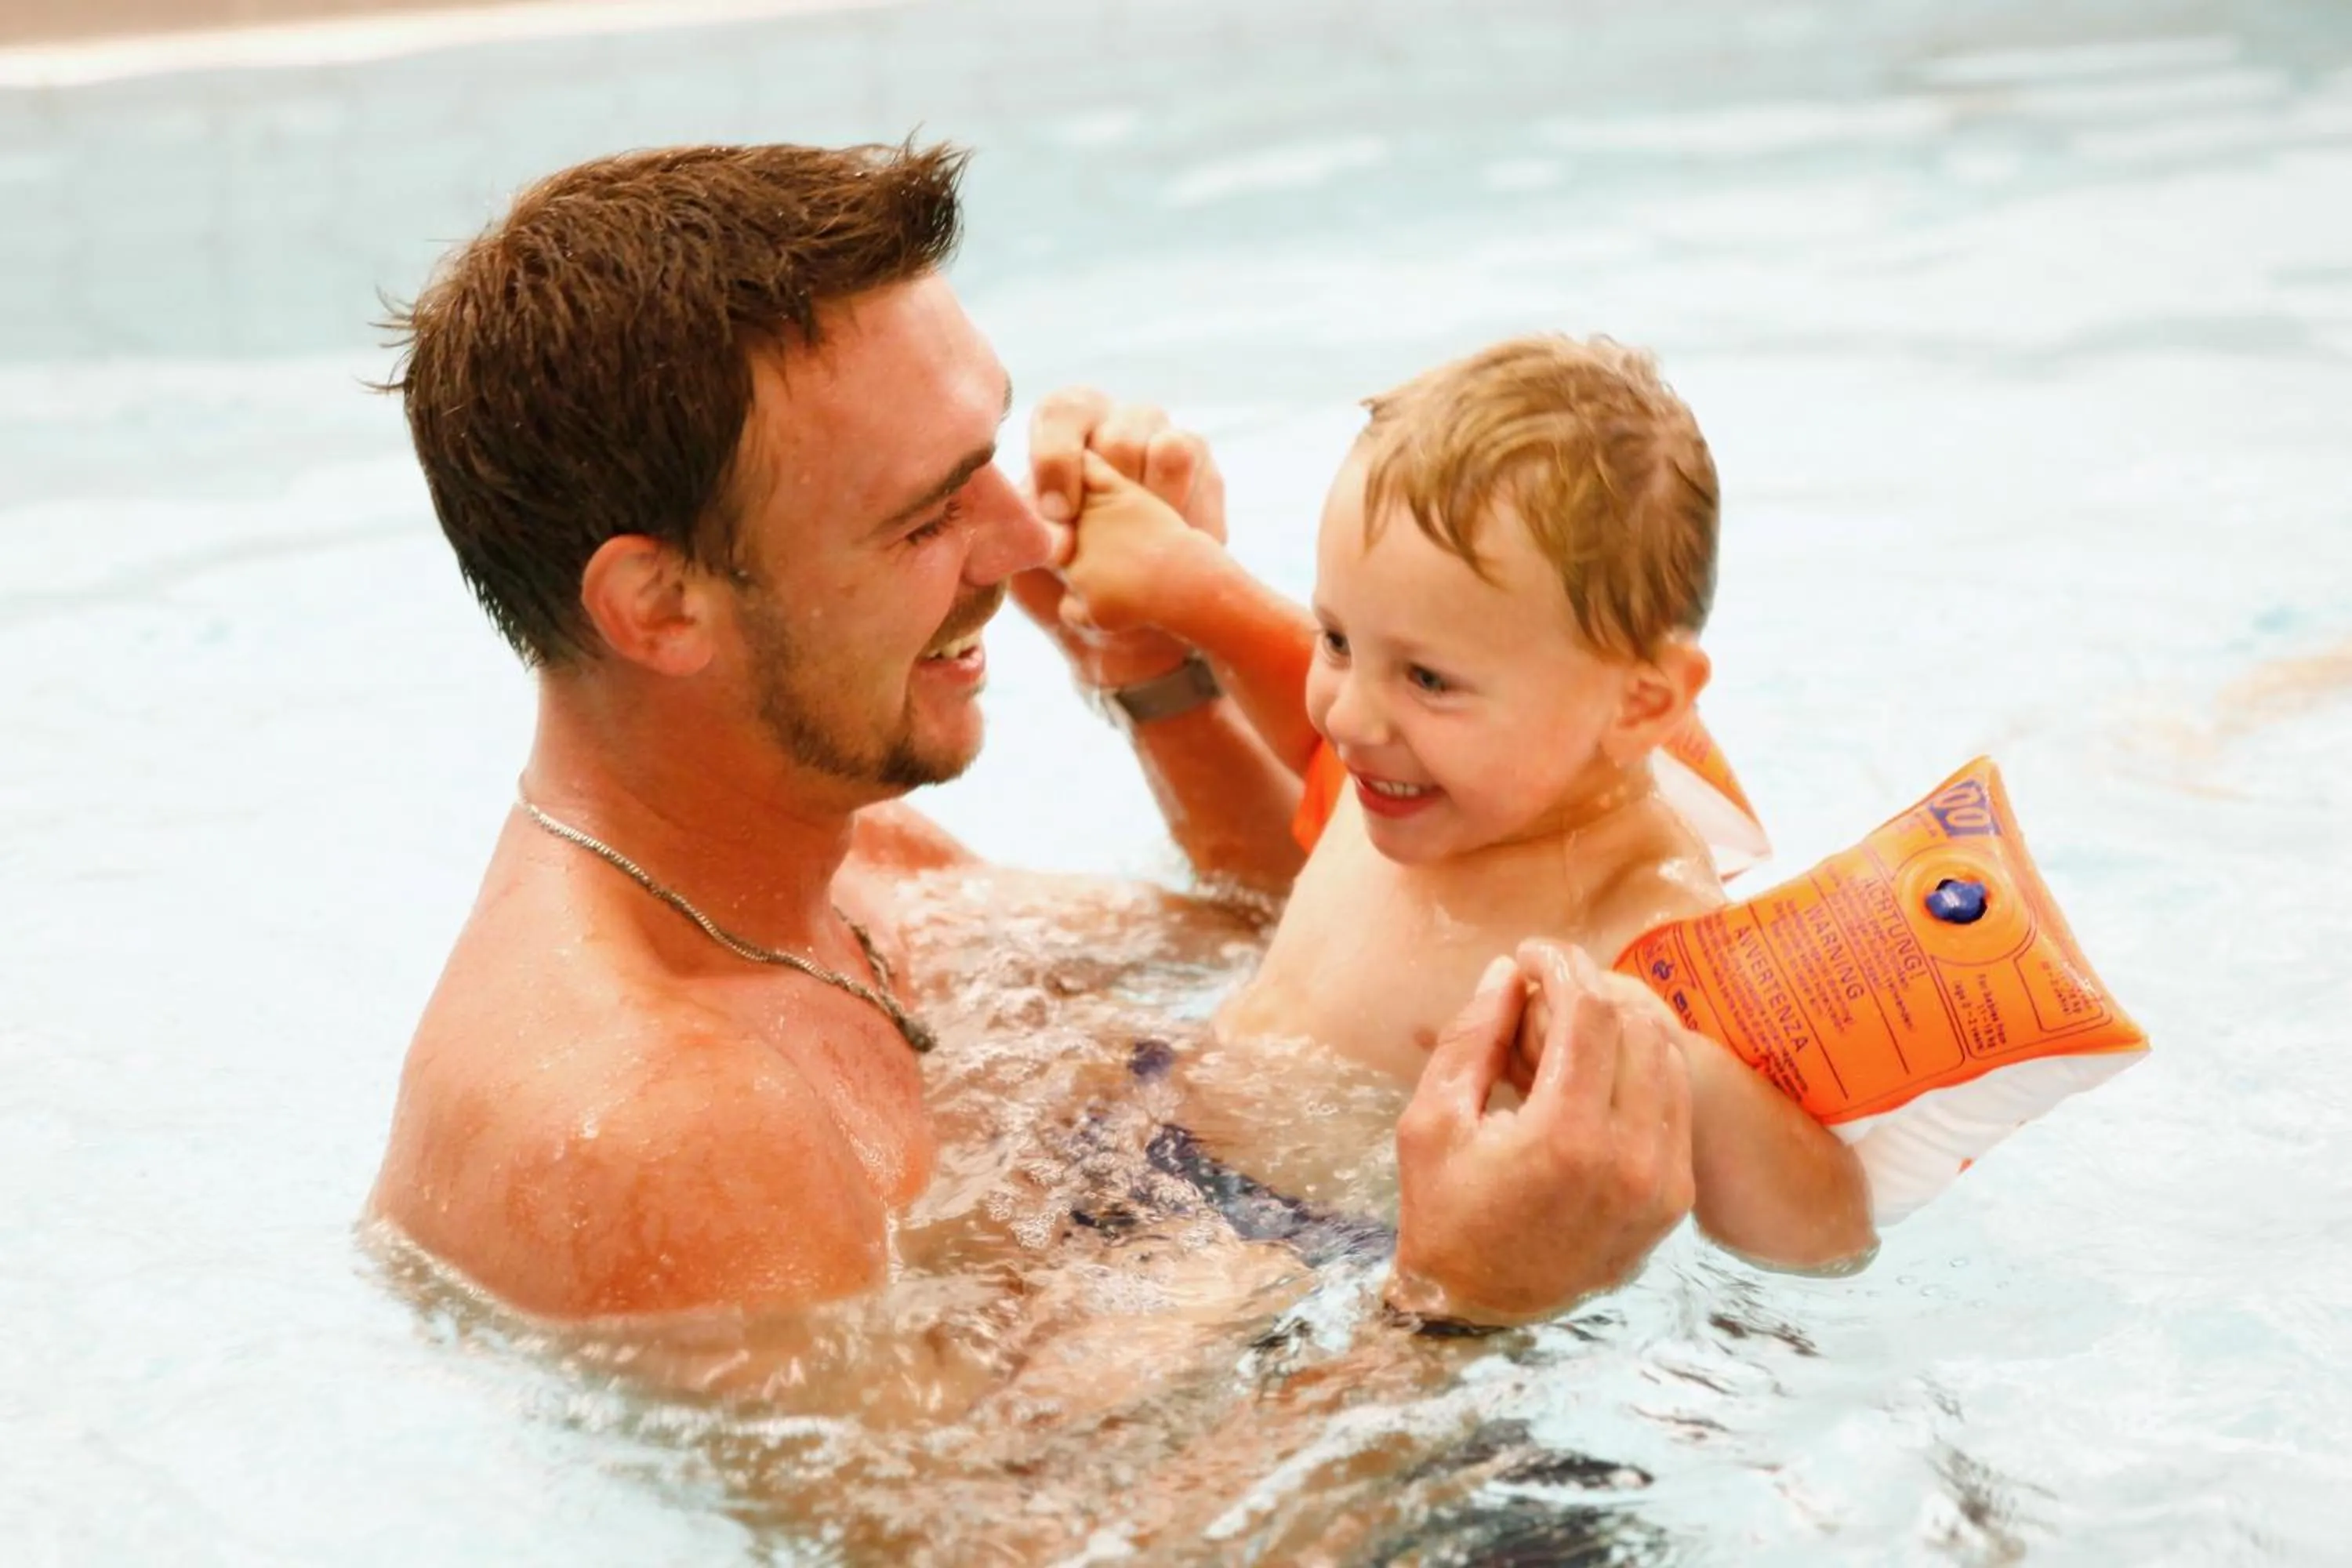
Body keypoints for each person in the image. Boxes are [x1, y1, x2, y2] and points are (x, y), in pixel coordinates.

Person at [365, 140, 1694, 1338]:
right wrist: (1460, 1305)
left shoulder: (857, 862)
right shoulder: (654, 1126)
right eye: (925, 516)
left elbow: (1298, 962)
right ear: (660, 608)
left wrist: (1155, 676)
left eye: (989, 454)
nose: (1024, 541)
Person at [1054, 335, 1875, 1269]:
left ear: (1641, 702)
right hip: (1161, 1114)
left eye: (1430, 679)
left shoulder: (1635, 928)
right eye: (1336, 638)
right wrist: (1182, 585)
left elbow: (1831, 1233)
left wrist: (1679, 1070)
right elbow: (1306, 724)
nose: (1350, 715)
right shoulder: (1424, 777)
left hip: (1295, 1251)